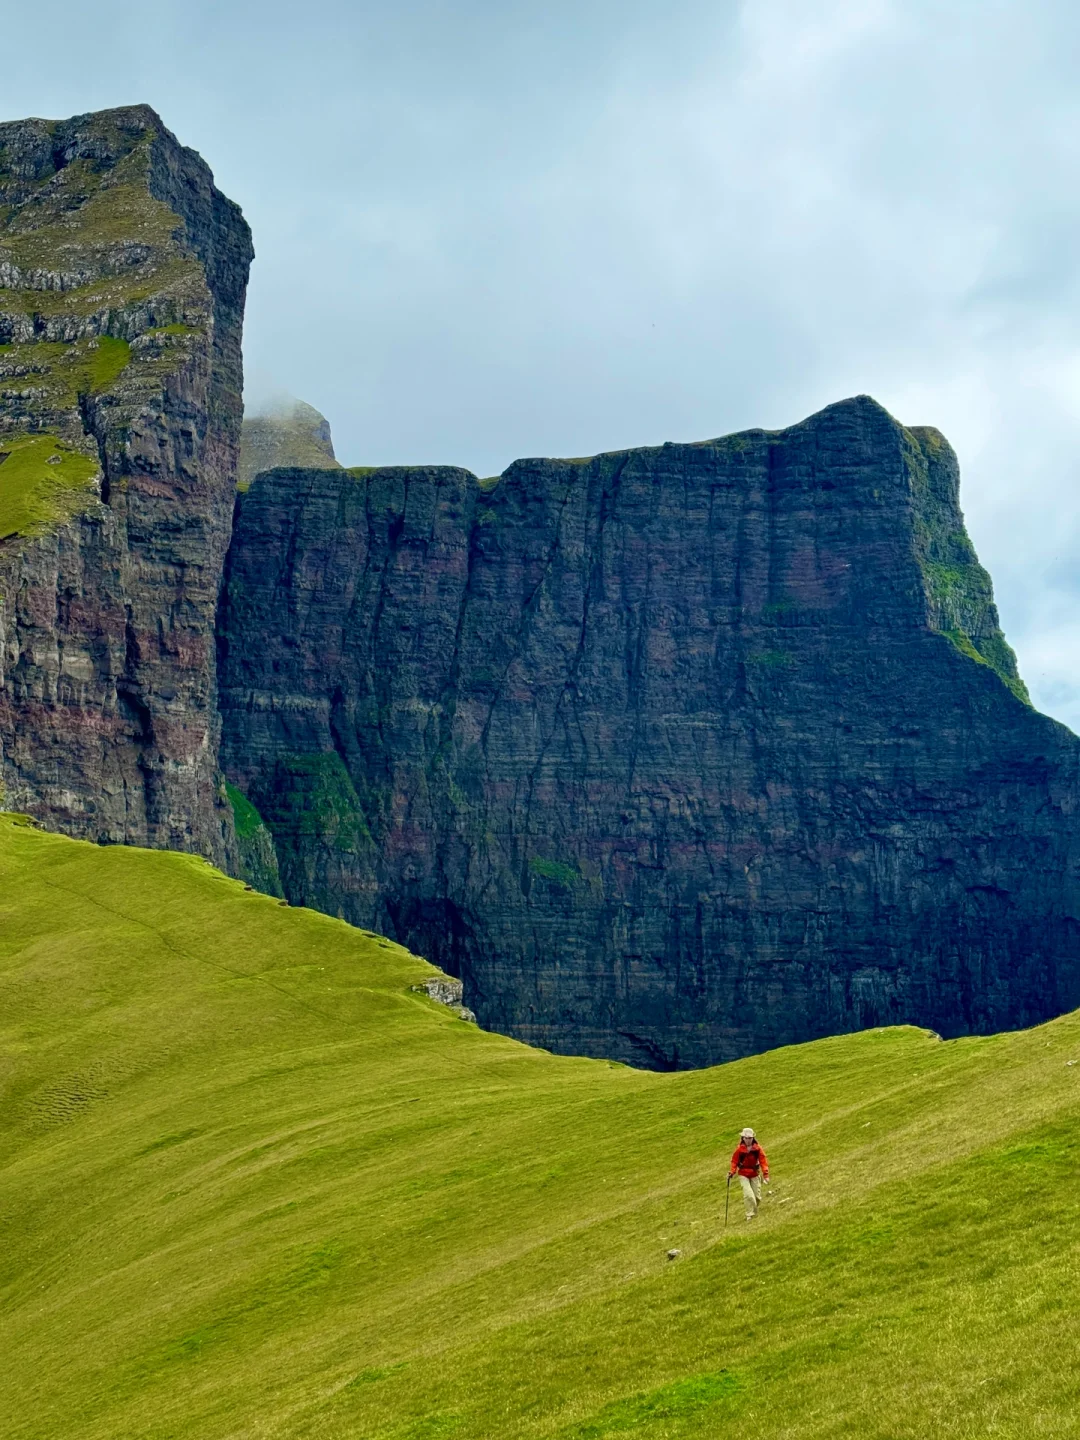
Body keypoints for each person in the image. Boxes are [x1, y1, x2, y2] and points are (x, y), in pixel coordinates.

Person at [729, 1127, 769, 1221]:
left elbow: (763, 1161)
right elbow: (734, 1161)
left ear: (753, 1138)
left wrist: (766, 1174)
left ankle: (753, 1212)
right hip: (743, 1174)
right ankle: (749, 1214)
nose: (748, 1140)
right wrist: (732, 1172)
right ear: (742, 1138)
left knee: (757, 1197)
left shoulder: (757, 1149)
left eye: (750, 1138)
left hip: (755, 1174)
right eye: (746, 1138)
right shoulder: (739, 1150)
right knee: (748, 1195)